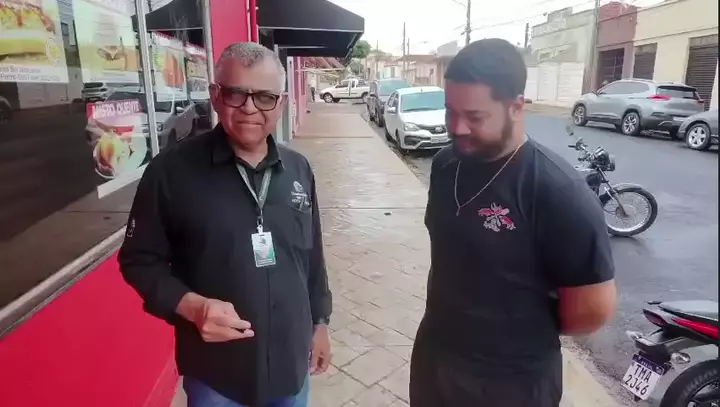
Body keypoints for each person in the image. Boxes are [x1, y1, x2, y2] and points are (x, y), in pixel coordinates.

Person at [118, 42, 332, 407]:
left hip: (290, 366)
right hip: (217, 376)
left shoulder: (299, 169)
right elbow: (138, 260)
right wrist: (192, 306)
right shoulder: (171, 172)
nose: (250, 108)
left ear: (281, 103)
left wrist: (321, 323)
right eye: (236, 94)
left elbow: (312, 257)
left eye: (264, 97)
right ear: (216, 96)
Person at [409, 38, 617, 407]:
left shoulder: (558, 192)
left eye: (474, 117)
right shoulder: (445, 166)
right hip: (435, 364)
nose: (456, 127)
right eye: (450, 111)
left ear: (517, 106)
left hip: (512, 384)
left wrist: (511, 333)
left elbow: (591, 310)